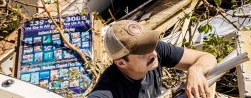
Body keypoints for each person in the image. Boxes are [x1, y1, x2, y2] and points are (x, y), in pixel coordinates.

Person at [88, 20, 217, 98]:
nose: (154, 54)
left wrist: (196, 69)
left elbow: (207, 57)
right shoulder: (110, 88)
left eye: (150, 44)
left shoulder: (155, 50)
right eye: (142, 51)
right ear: (121, 63)